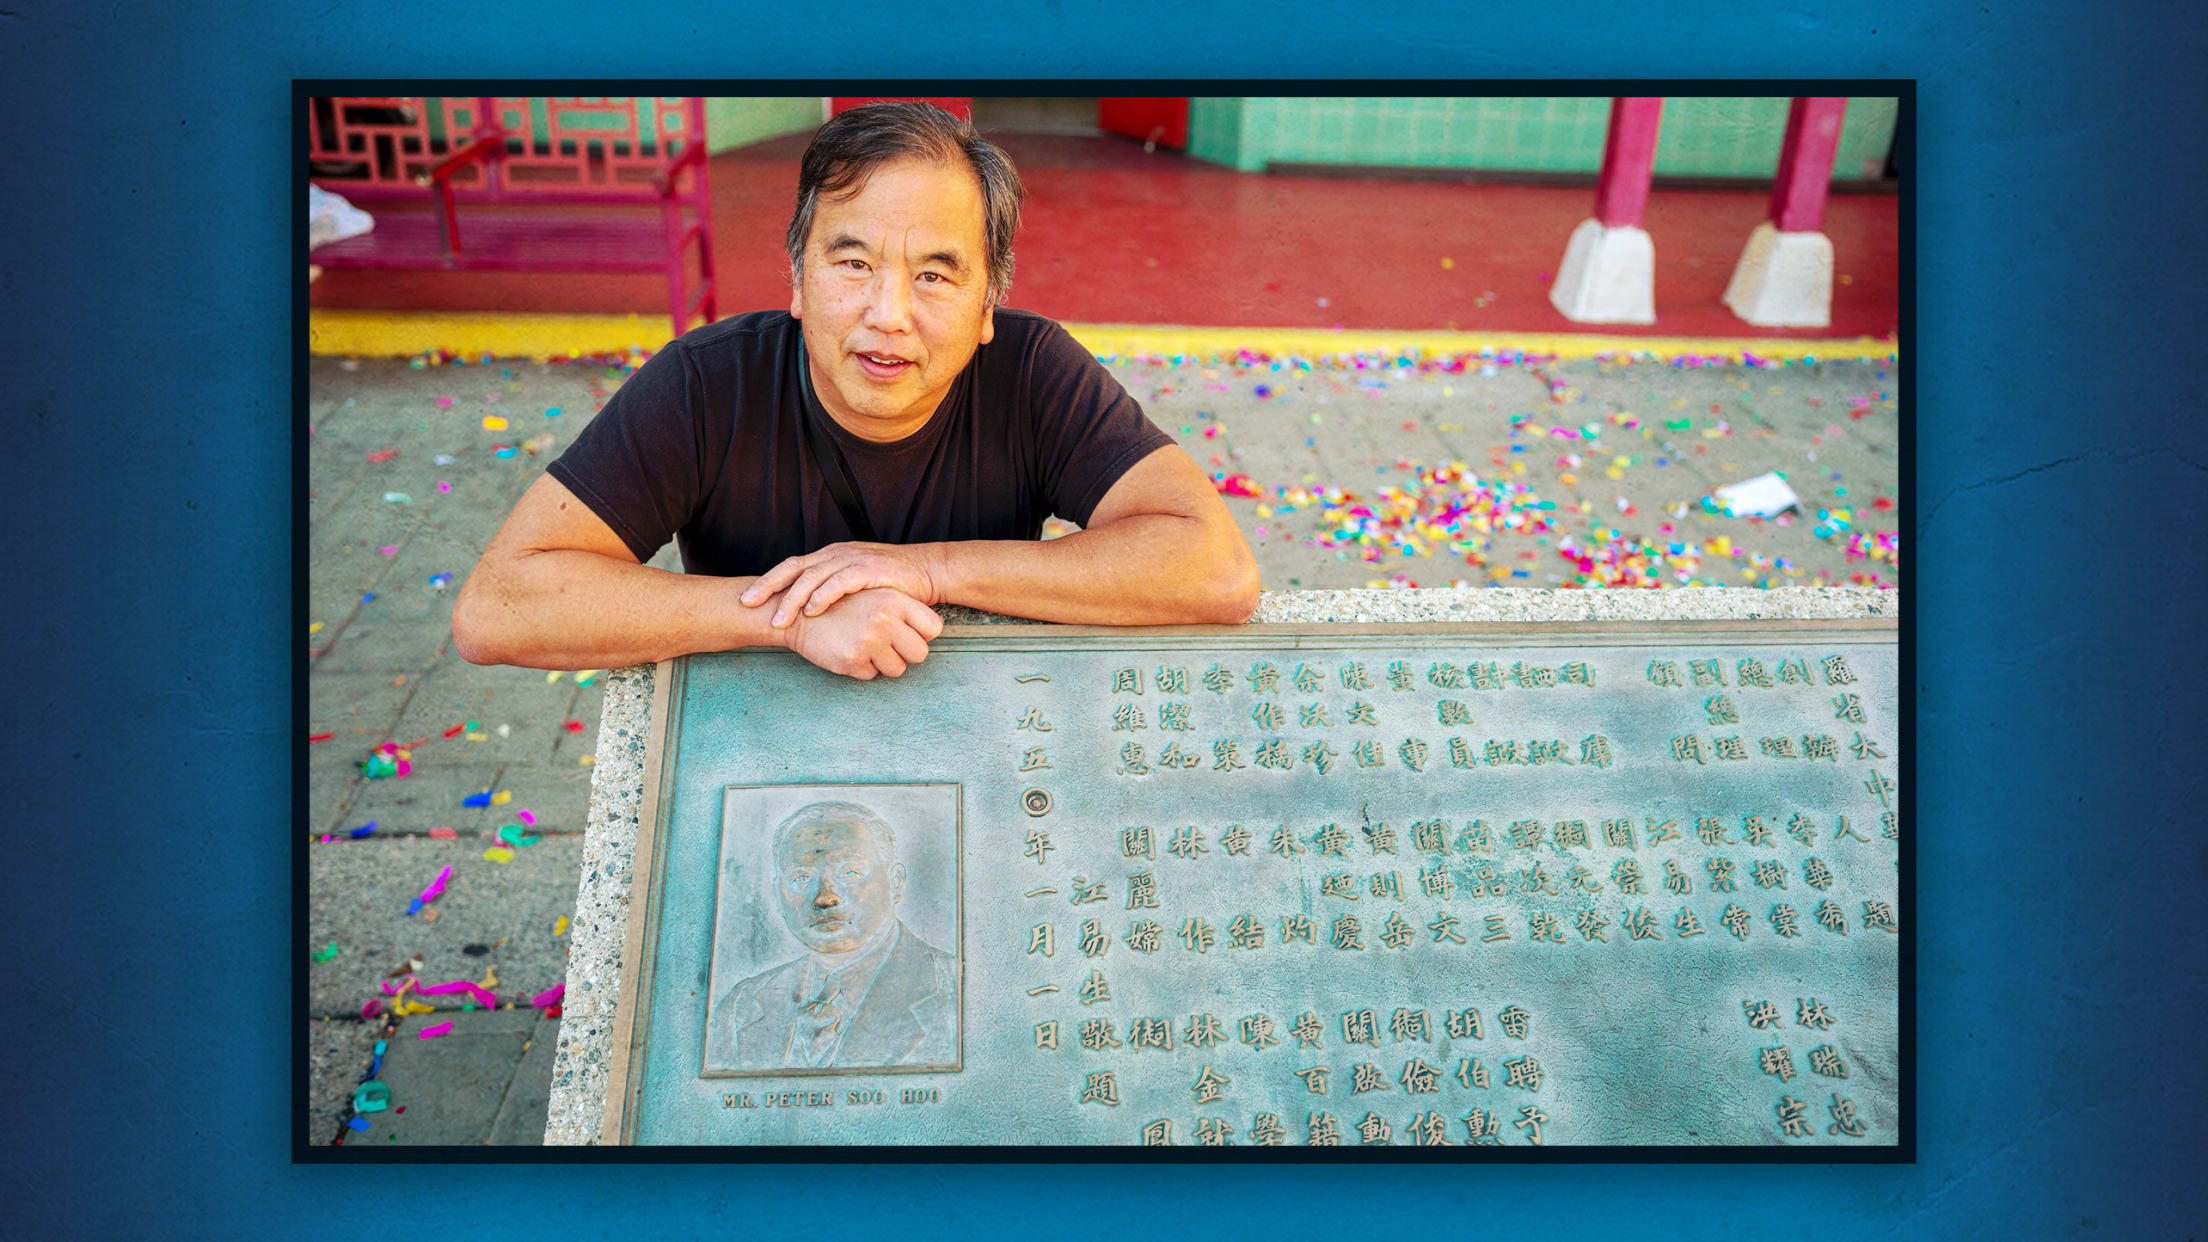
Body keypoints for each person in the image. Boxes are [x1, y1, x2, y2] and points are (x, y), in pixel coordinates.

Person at [452, 102, 1258, 679]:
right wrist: (791, 619)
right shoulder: (706, 382)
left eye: (935, 275)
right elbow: (499, 606)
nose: (888, 316)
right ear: (798, 280)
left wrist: (927, 570)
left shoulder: (1030, 369)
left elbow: (1213, 568)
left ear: (987, 306)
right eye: (853, 264)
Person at [704, 801, 957, 1072]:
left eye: (849, 873)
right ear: (777, 892)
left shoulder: (956, 989)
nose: (824, 898)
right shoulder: (743, 1004)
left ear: (895, 882)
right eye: (801, 878)